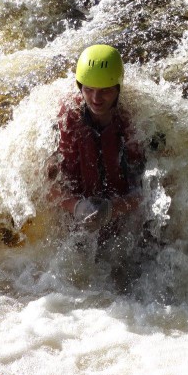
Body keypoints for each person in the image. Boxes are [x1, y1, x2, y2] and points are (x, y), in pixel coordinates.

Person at [48, 44, 145, 254]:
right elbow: (43, 185)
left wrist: (112, 210)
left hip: (124, 224)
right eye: (89, 90)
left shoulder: (134, 121)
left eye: (105, 91)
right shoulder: (65, 119)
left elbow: (154, 188)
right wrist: (76, 206)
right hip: (78, 223)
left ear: (118, 89)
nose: (96, 99)